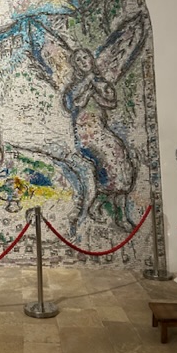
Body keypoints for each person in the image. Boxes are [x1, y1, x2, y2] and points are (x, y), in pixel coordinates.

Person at [63, 48, 136, 230]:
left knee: (121, 159)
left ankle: (101, 205)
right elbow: (71, 104)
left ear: (91, 59)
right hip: (86, 135)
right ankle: (117, 214)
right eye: (78, 60)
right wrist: (88, 84)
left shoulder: (99, 82)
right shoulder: (76, 86)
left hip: (101, 131)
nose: (83, 62)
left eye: (85, 57)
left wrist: (95, 90)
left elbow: (111, 102)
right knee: (113, 160)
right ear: (75, 66)